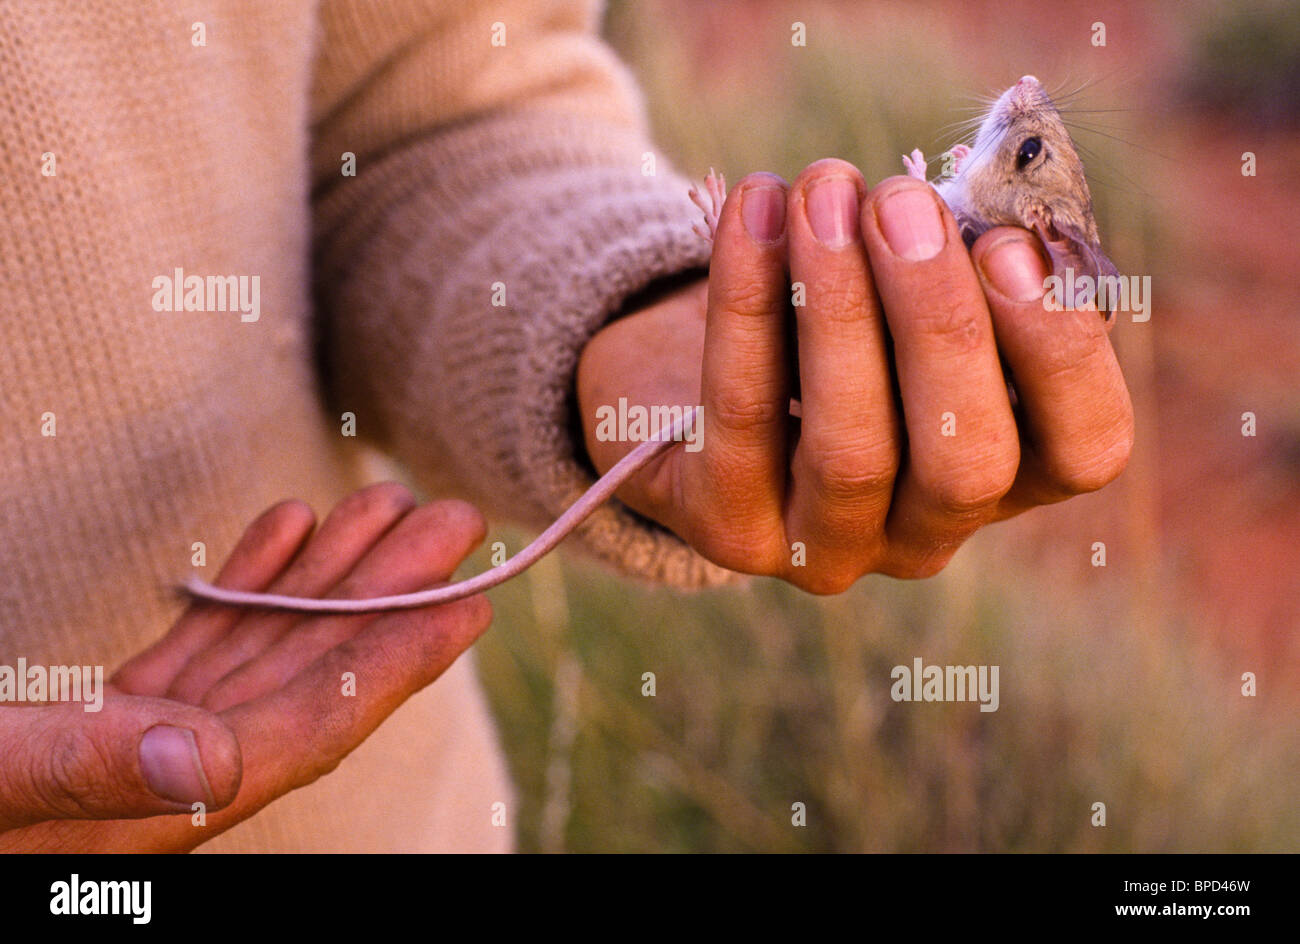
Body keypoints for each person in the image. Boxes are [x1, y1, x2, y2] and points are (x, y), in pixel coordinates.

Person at [0, 0, 1132, 852]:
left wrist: (638, 321)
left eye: (1025, 151)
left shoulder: (990, 247)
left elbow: (429, 107)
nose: (1013, 115)